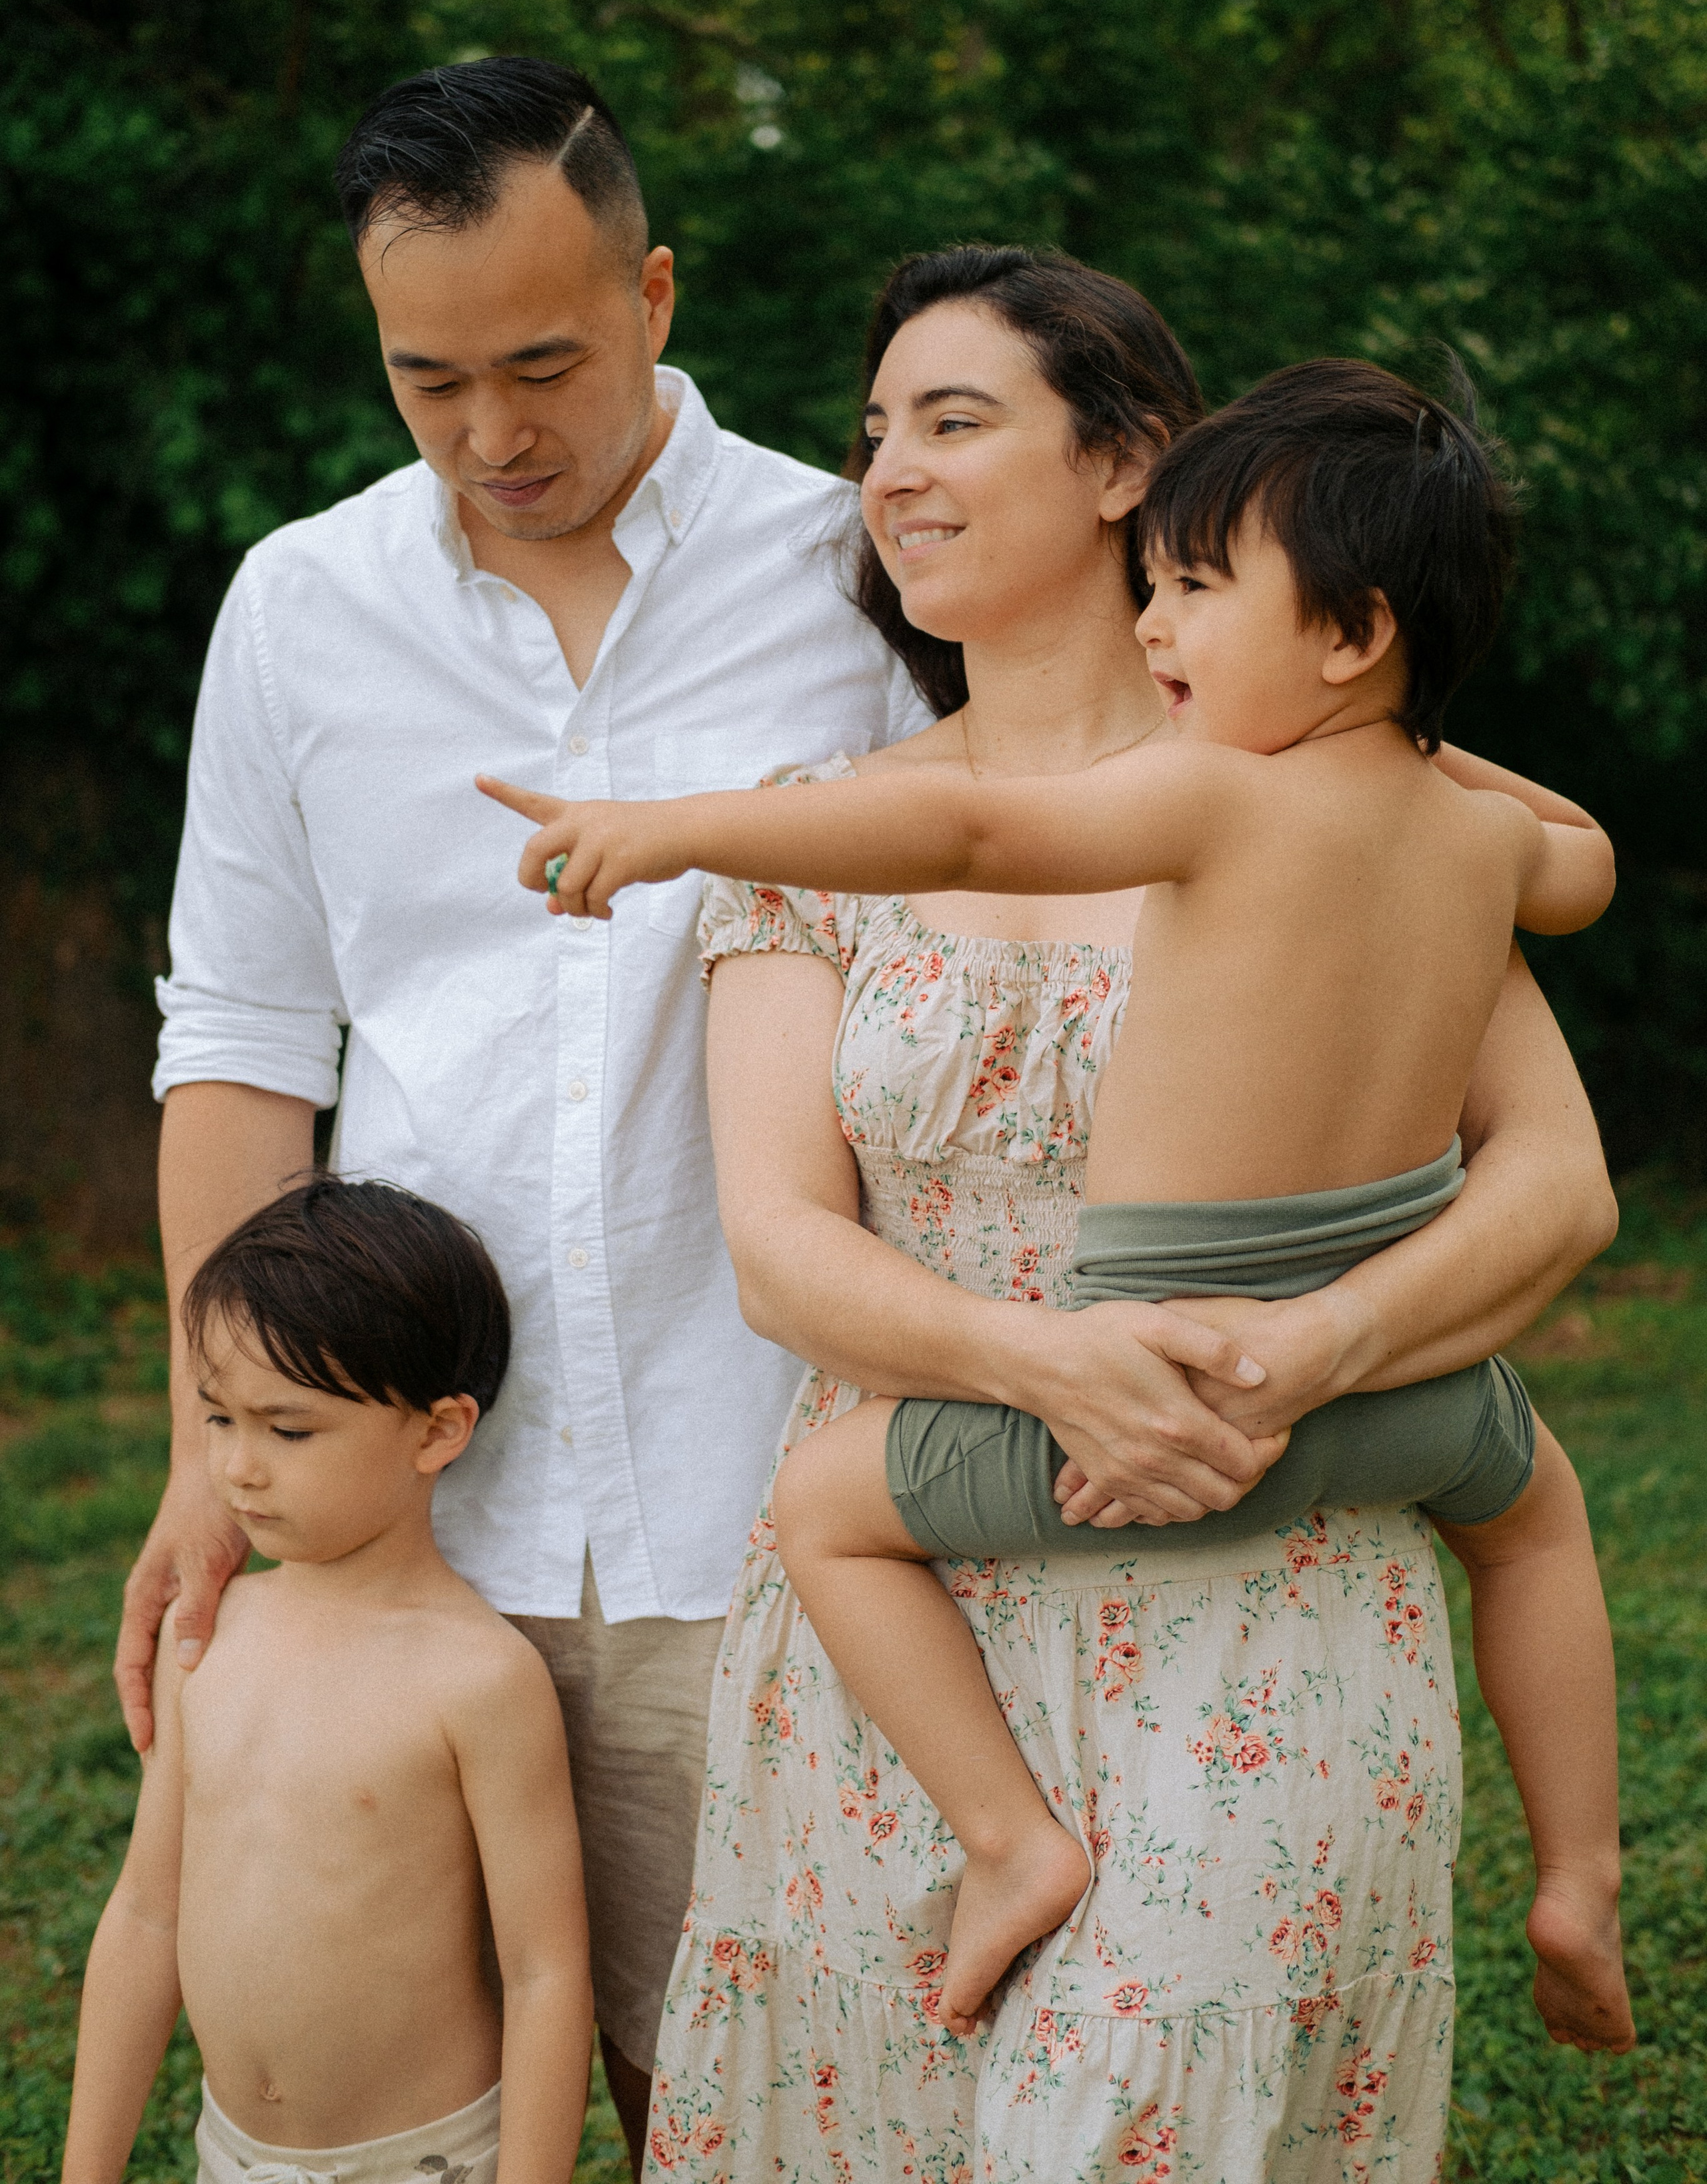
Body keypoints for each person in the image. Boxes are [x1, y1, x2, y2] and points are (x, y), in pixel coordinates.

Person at [492, 248, 1623, 2183]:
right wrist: (1058, 1365)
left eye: (954, 420)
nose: (893, 473)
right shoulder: (828, 832)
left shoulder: (1297, 801)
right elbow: (784, 1251)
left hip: (1259, 1593)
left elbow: (1559, 1185)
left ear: (1133, 465)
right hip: (919, 1613)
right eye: (873, 435)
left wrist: (1308, 1353)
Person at [127, 55, 926, 2175]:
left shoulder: (858, 570)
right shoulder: (301, 608)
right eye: (429, 381)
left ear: (656, 293)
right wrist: (223, 1444)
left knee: (734, 2088)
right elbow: (240, 1037)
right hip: (405, 1516)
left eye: (546, 364)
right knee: (406, 2082)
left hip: (765, 1489)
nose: (495, 438)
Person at [62, 1176, 592, 2184]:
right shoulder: (202, 1638)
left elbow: (546, 1973)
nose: (238, 1470)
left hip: (421, 2164)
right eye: (218, 1420)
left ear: (438, 1431)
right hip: (232, 2153)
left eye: (287, 1430)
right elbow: (145, 1915)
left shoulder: (480, 1679)